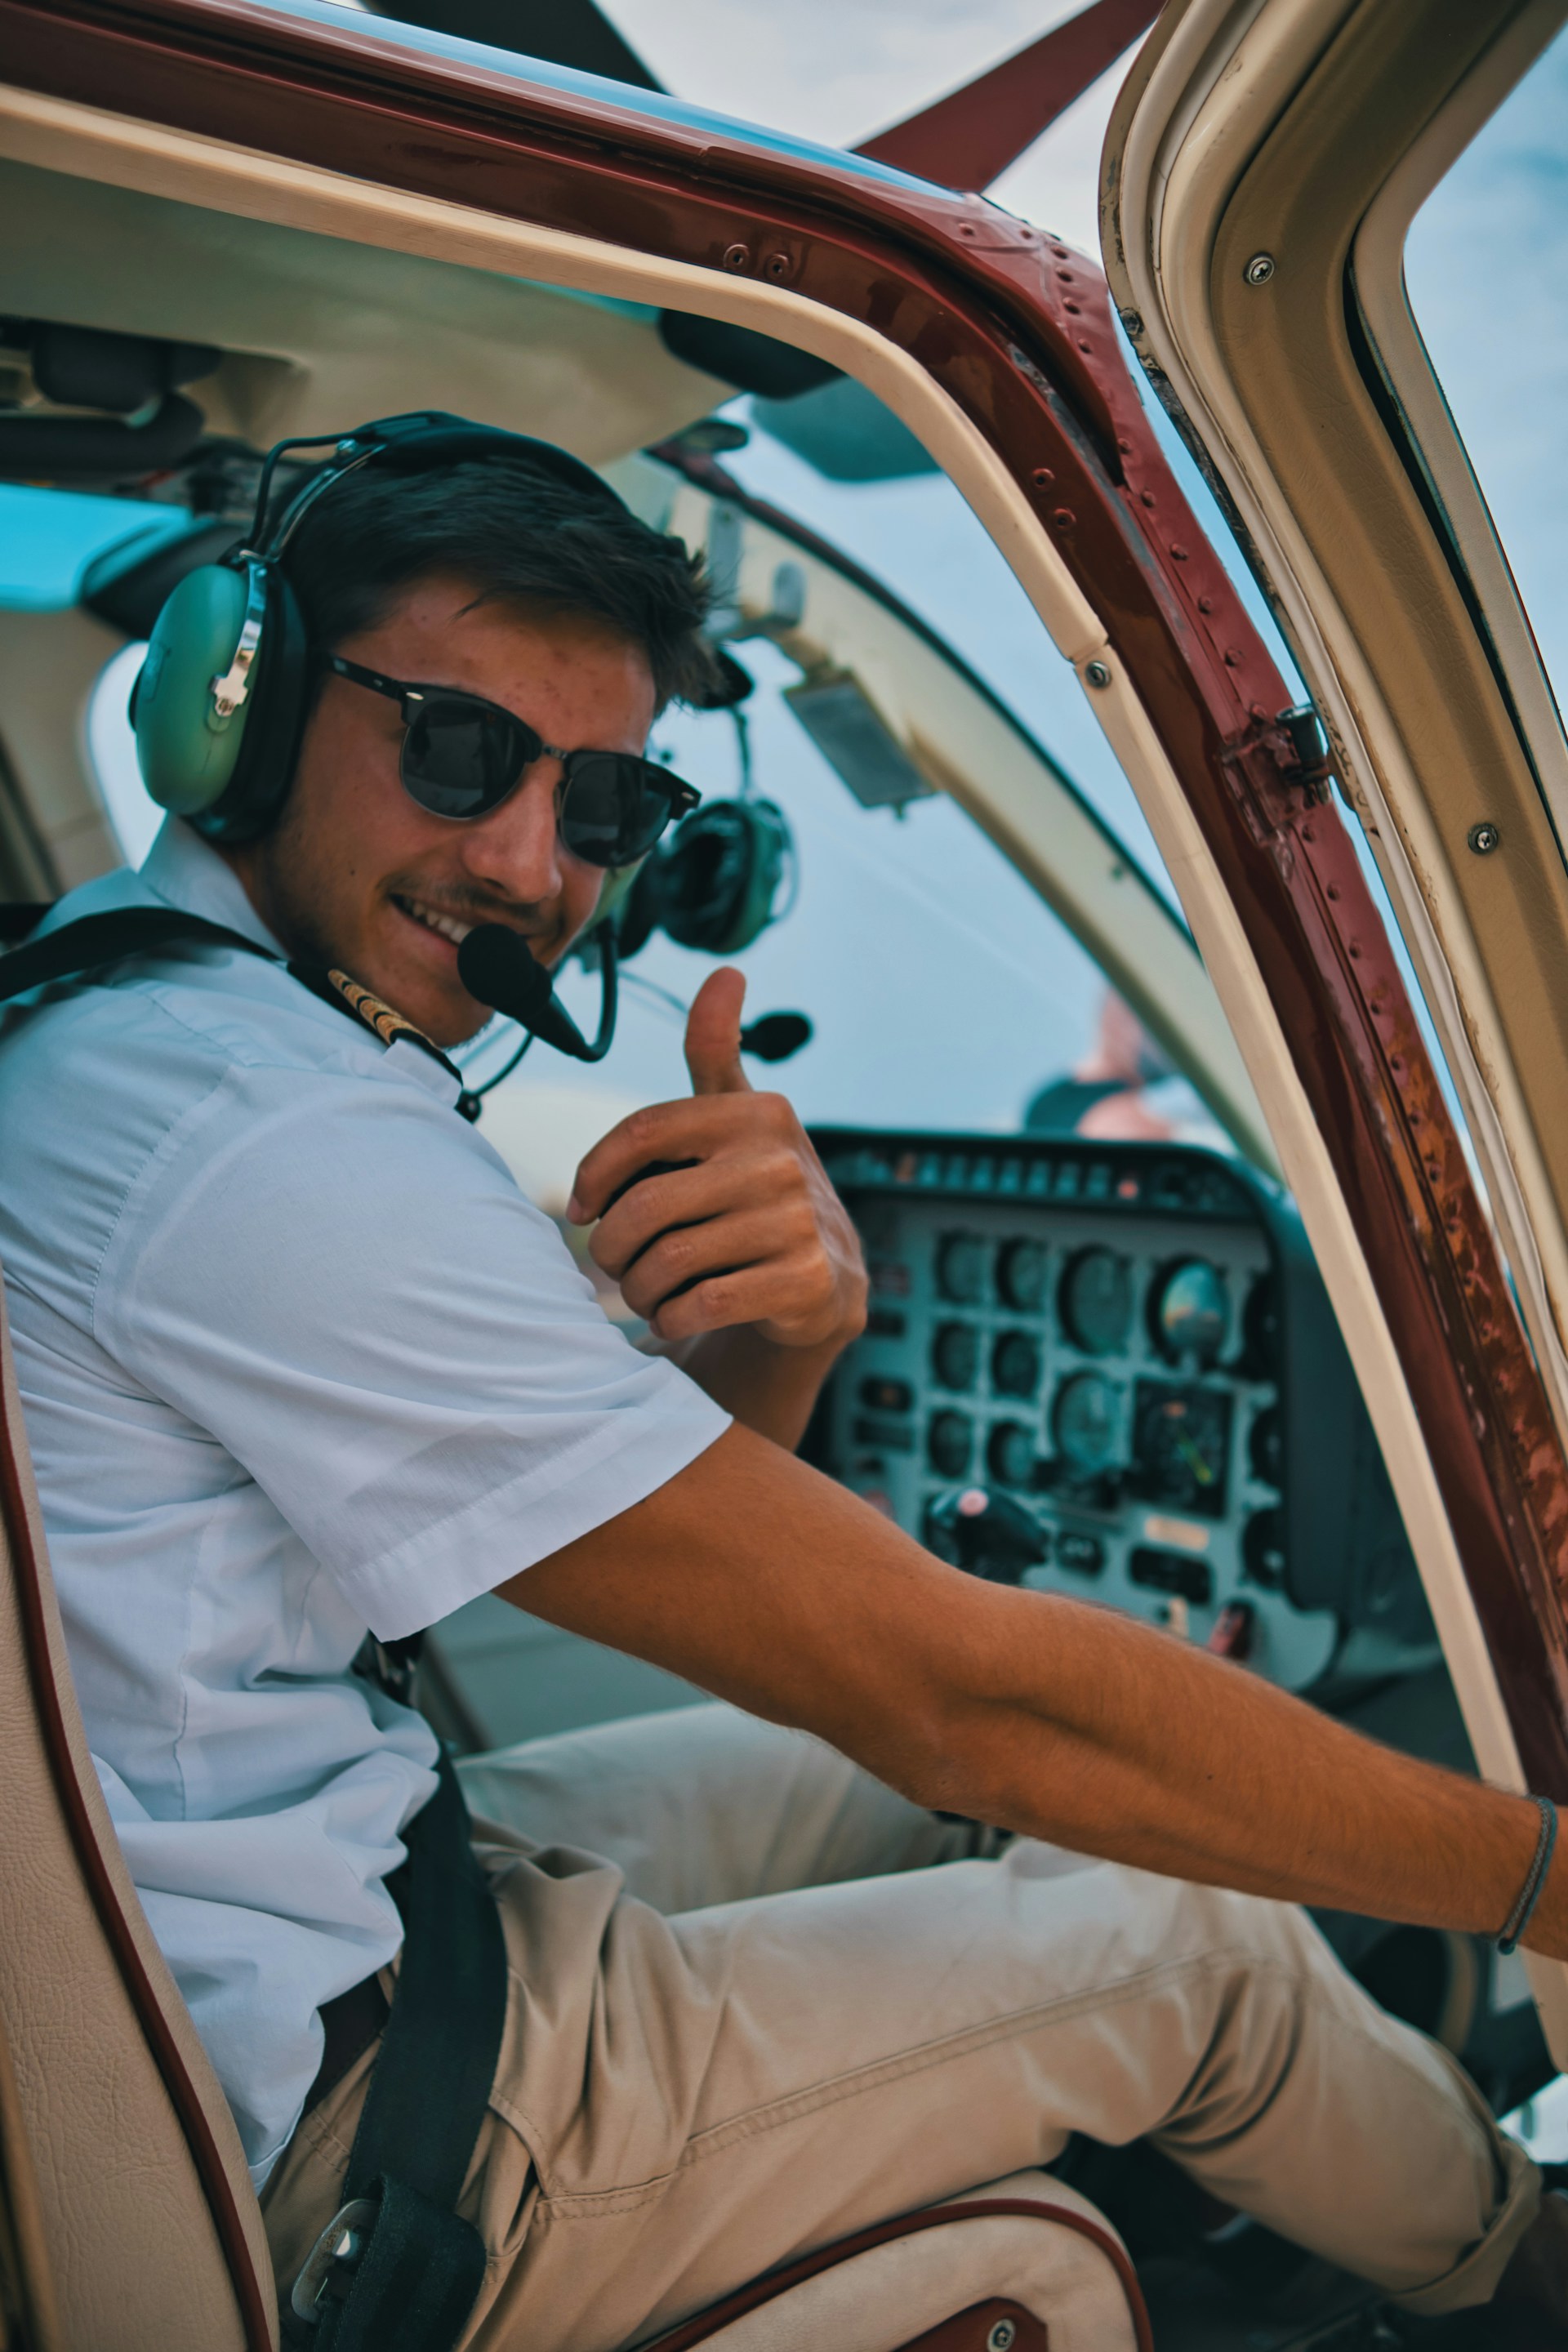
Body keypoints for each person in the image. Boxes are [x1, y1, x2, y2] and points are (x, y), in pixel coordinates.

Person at [0, 428, 1563, 2350]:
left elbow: (673, 1570)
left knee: (945, 1783)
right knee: (1201, 1945)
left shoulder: (109, 1012)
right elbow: (965, 1707)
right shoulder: (264, 1129)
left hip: (286, 1915)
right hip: (319, 2141)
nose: (527, 865)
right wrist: (1540, 1878)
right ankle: (1525, 2284)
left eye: (604, 805)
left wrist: (790, 1335)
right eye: (458, 751)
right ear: (240, 708)